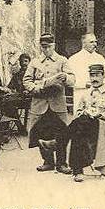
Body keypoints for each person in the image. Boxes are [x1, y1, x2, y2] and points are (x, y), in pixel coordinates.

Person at [64, 64, 105, 182]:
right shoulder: (86, 94)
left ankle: (61, 142)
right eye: (92, 76)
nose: (94, 79)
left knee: (78, 127)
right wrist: (85, 112)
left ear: (103, 76)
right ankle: (77, 170)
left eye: (97, 75)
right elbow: (78, 113)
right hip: (86, 126)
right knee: (80, 128)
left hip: (104, 126)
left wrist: (100, 115)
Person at [24, 33, 75, 174]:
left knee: (62, 132)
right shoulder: (34, 62)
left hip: (57, 103)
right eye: (43, 47)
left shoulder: (62, 61)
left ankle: (62, 163)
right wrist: (37, 88)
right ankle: (48, 161)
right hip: (40, 103)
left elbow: (73, 80)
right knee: (40, 132)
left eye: (48, 47)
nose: (46, 50)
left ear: (54, 46)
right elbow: (26, 81)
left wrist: (65, 77)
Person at [68, 33, 105, 108]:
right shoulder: (73, 59)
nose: (95, 44)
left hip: (99, 95)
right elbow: (69, 80)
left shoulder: (100, 58)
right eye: (91, 42)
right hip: (81, 93)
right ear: (84, 43)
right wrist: (84, 84)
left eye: (95, 42)